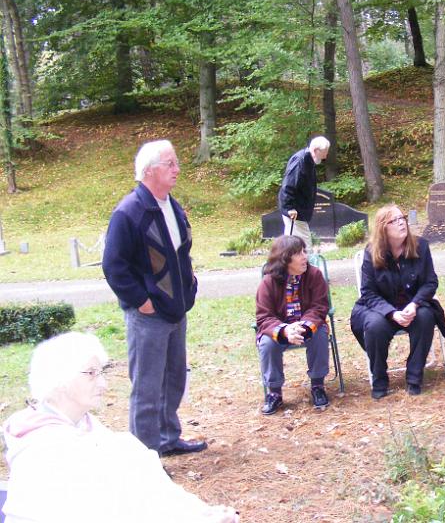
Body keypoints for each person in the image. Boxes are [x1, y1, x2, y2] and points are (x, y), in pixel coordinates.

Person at [1, 332, 238, 523]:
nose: (103, 384)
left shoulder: (84, 425)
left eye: (101, 373)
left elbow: (143, 481)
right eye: (91, 374)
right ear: (59, 379)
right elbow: (114, 509)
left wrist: (199, 512)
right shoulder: (45, 449)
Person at [102, 139, 206, 456]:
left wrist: (190, 285)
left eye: (176, 163)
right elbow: (113, 265)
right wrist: (140, 301)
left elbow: (180, 252)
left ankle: (167, 438)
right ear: (149, 171)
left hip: (176, 309)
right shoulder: (128, 212)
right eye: (170, 164)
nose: (177, 169)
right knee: (147, 388)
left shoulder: (172, 205)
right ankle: (144, 456)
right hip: (148, 316)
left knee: (173, 379)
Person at [350, 204, 445, 399]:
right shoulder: (371, 253)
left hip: (412, 305)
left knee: (425, 317)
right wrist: (392, 313)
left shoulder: (421, 246)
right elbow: (368, 293)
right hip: (382, 308)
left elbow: (430, 282)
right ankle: (379, 379)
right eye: (394, 220)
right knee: (374, 326)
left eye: (402, 218)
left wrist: (415, 304)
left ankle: (414, 377)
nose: (401, 223)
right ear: (383, 228)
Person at [256, 234, 331, 415]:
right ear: (285, 258)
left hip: (307, 326)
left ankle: (318, 385)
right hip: (281, 331)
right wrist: (285, 330)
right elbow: (264, 317)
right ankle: (274, 393)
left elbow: (320, 307)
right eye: (299, 253)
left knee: (320, 334)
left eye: (304, 251)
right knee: (267, 343)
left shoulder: (314, 275)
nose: (305, 256)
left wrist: (303, 326)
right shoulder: (268, 282)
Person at [278, 136, 330, 247]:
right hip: (295, 212)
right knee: (303, 246)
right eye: (324, 153)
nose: (325, 156)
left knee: (295, 246)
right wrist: (289, 208)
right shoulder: (300, 161)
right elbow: (288, 184)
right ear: (316, 150)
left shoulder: (308, 161)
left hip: (299, 211)